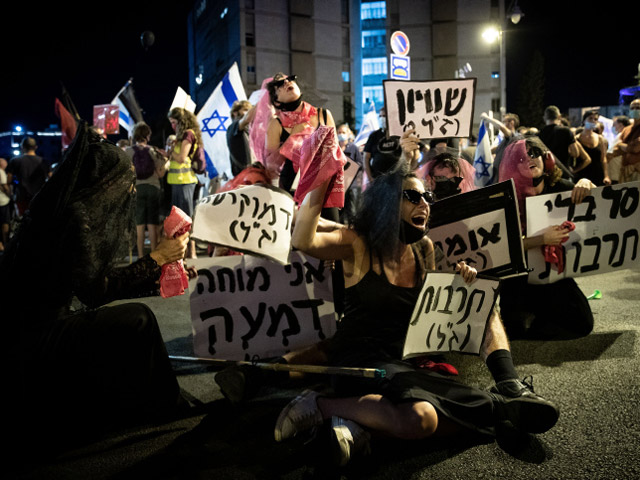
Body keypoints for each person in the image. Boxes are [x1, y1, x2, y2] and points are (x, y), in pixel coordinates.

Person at [269, 132, 560, 466]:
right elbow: (303, 238)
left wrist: (459, 283)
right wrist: (322, 174)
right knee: (434, 418)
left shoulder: (425, 249)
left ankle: (361, 425)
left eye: (427, 199)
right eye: (413, 197)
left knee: (424, 418)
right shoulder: (357, 244)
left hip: (404, 359)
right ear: (387, 203)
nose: (425, 205)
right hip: (362, 360)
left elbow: (428, 312)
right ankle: (321, 405)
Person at [1, 122, 190, 460]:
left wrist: (158, 269)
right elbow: (96, 291)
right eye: (121, 182)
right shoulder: (74, 218)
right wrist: (157, 257)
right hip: (32, 339)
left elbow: (88, 280)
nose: (127, 191)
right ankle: (166, 409)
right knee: (139, 320)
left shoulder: (59, 208)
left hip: (25, 331)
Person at [496, 135, 595, 339]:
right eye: (522, 158)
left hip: (553, 274)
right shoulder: (506, 198)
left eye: (534, 153)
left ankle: (540, 314)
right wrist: (541, 240)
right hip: (519, 278)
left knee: (583, 323)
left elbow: (597, 209)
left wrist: (587, 184)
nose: (530, 159)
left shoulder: (562, 188)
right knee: (515, 332)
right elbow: (502, 247)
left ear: (546, 158)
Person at [125, 122, 168, 258]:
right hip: (153, 188)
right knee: (152, 224)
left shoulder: (128, 151)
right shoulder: (153, 150)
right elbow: (160, 174)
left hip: (137, 188)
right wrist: (166, 164)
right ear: (147, 136)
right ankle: (154, 256)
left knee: (139, 225)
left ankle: (141, 256)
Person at [167, 107, 201, 258]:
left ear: (181, 121)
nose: (172, 126)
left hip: (185, 181)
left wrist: (170, 151)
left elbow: (181, 158)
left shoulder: (188, 134)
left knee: (186, 218)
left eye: (174, 123)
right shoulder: (182, 135)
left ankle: (191, 252)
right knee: (180, 219)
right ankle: (183, 252)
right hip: (177, 182)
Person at [539, 105, 588, 177]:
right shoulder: (566, 131)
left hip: (547, 175)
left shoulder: (539, 134)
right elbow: (575, 153)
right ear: (559, 116)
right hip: (564, 173)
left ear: (544, 118)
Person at [6, 136, 50, 216]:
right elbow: (51, 179)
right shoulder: (44, 161)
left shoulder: (15, 161)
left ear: (22, 147)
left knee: (23, 221)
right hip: (39, 197)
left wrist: (10, 195)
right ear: (36, 147)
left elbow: (8, 181)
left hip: (22, 197)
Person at [574, 110, 609, 186]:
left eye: (595, 119)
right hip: (583, 175)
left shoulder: (600, 138)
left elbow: (603, 158)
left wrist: (606, 176)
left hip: (598, 174)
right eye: (590, 118)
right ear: (584, 121)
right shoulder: (577, 139)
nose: (593, 121)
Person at [610, 99, 640, 183]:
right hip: (625, 170)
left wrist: (621, 145)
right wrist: (623, 146)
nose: (635, 110)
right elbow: (617, 148)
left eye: (638, 108)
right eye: (632, 108)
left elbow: (636, 148)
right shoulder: (627, 129)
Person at [227, 99, 256, 177]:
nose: (249, 112)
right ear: (235, 113)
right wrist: (264, 100)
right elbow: (247, 118)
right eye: (246, 110)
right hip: (242, 177)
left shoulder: (249, 130)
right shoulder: (233, 127)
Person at [362, 107, 388, 181]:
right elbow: (366, 158)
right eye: (380, 116)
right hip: (378, 178)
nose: (382, 118)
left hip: (396, 179)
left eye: (384, 116)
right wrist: (370, 177)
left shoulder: (398, 135)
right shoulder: (374, 135)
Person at [606, 115, 632, 184]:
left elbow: (612, 152)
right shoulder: (620, 136)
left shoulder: (622, 135)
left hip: (617, 173)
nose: (613, 127)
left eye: (614, 124)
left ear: (620, 125)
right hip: (615, 172)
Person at [0, 157, 10, 251]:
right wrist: (9, 195)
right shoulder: (1, 171)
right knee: (4, 222)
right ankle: (5, 243)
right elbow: (4, 185)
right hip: (2, 201)